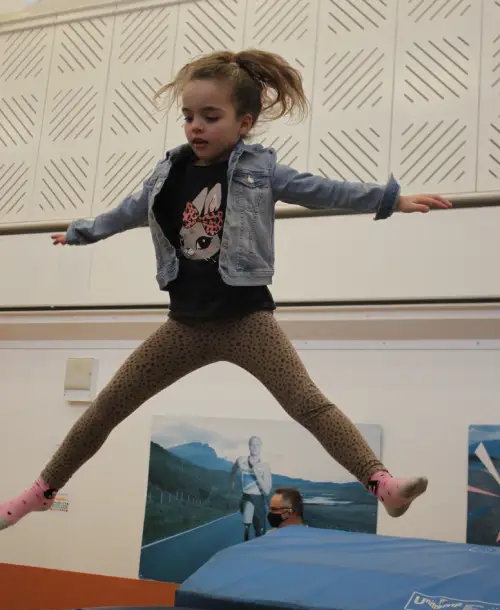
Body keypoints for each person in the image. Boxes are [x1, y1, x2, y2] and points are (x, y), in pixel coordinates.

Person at [0, 49, 452, 532]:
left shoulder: (261, 172)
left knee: (309, 404)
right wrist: (82, 231)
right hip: (185, 326)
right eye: (189, 117)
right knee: (109, 406)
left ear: (244, 122)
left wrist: (390, 199)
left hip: (246, 321)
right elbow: (129, 211)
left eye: (210, 117)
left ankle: (381, 484)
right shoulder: (166, 174)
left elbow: (323, 190)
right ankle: (40, 493)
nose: (196, 127)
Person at [230, 436, 272, 541]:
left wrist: (256, 472)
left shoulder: (265, 466)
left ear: (261, 447)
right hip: (247, 497)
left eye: (257, 445)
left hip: (259, 499)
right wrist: (232, 480)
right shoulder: (241, 460)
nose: (255, 447)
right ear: (249, 446)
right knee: (247, 528)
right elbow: (234, 469)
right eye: (252, 445)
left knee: (260, 533)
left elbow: (267, 491)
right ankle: (246, 540)